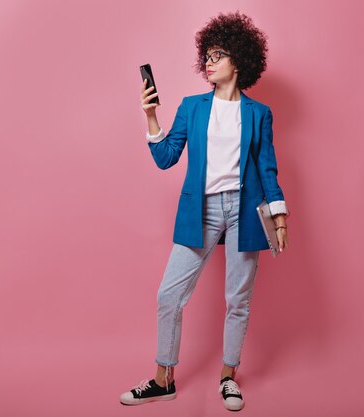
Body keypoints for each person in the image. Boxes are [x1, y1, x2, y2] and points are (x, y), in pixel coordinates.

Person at [120, 11, 289, 411]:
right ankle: (164, 379)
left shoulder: (259, 113)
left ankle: (228, 377)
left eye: (218, 55)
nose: (209, 62)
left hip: (246, 210)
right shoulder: (192, 107)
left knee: (238, 299)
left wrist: (280, 218)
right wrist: (150, 116)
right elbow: (166, 158)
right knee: (169, 295)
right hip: (203, 210)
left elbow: (267, 168)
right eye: (207, 56)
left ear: (239, 61)